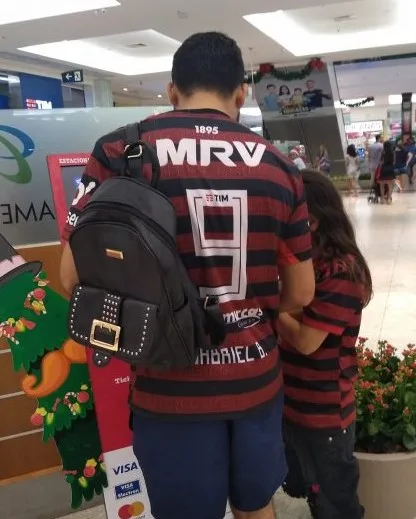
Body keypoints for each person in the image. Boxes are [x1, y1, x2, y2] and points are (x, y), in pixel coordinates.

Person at [59, 31, 316, 519]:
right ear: (241, 93)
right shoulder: (282, 168)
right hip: (256, 381)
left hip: (167, 387)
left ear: (172, 90)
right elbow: (301, 291)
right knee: (256, 506)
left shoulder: (119, 151)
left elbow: (71, 278)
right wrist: (252, 305)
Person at [278, 169, 372, 519]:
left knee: (339, 503)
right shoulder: (302, 264)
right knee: (311, 491)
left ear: (311, 221)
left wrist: (270, 307)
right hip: (294, 406)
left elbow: (306, 341)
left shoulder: (341, 271)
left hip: (326, 417)